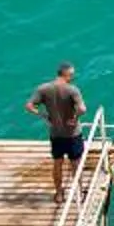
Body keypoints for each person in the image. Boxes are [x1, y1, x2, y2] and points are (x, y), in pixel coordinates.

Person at [26, 61, 85, 201]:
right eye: (72, 75)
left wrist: (43, 116)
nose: (72, 77)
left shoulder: (43, 88)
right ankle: (80, 192)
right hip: (72, 133)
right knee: (75, 163)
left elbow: (29, 106)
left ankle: (59, 194)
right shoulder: (72, 90)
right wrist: (75, 118)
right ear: (67, 75)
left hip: (56, 133)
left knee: (57, 163)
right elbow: (82, 109)